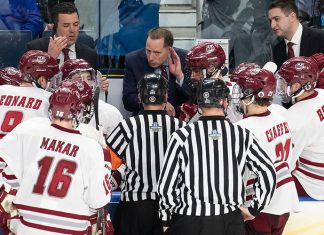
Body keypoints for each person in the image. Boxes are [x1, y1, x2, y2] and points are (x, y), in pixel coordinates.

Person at [157, 79, 276, 235]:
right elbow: (268, 172)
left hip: (190, 220)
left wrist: (166, 219)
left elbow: (166, 185)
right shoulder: (242, 135)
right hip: (230, 222)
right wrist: (254, 209)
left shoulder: (182, 135)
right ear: (225, 102)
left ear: (199, 104)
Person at [0, 82, 111, 234]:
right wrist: (106, 169)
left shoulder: (30, 129)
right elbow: (97, 201)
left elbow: (8, 173)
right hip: (70, 230)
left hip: (27, 228)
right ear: (78, 112)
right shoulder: (91, 148)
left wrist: (5, 194)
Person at [106, 73, 185, 235]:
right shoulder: (180, 127)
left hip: (135, 205)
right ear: (166, 96)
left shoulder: (127, 126)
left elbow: (108, 164)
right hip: (171, 206)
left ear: (140, 97)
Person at [232, 68, 299, 235]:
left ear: (251, 95)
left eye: (242, 91)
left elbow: (234, 174)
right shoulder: (281, 115)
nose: (239, 96)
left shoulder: (242, 128)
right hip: (285, 200)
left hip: (259, 206)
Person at [277, 56, 324, 200]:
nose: (281, 87)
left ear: (297, 86)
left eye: (284, 82)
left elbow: (286, 166)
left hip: (314, 185)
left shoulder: (294, 118)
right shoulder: (322, 94)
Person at [122, 27, 192, 117]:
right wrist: (158, 103)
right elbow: (128, 101)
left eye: (157, 53)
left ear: (169, 50)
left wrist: (179, 76)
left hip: (178, 121)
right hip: (144, 121)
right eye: (148, 51)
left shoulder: (185, 59)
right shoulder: (133, 60)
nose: (151, 57)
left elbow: (193, 98)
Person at [60, 59, 123, 139]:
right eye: (79, 79)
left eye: (89, 79)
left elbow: (117, 150)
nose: (86, 83)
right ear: (65, 83)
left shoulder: (110, 113)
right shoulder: (53, 111)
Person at [26, 2, 98, 69]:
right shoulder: (35, 49)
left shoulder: (90, 55)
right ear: (55, 27)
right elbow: (27, 80)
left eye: (75, 24)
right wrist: (49, 59)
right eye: (66, 25)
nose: (72, 30)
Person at [268, 0, 324, 69]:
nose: (272, 25)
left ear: (292, 17)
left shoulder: (320, 38)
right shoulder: (277, 50)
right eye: (270, 21)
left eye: (277, 19)